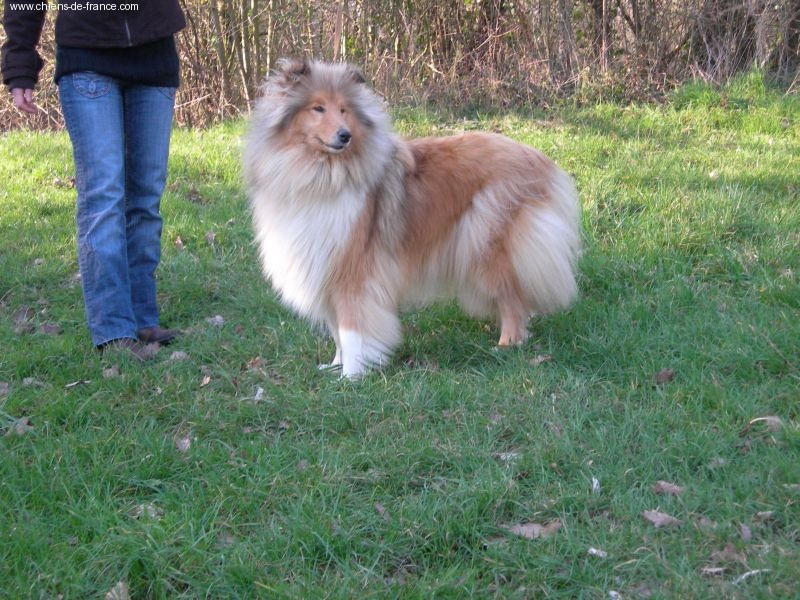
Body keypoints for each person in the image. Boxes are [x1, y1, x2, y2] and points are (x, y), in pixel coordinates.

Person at [2, 2, 186, 360]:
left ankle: (142, 319)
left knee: (146, 199)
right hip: (87, 56)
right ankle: (114, 331)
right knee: (104, 197)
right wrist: (20, 63)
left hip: (156, 54)